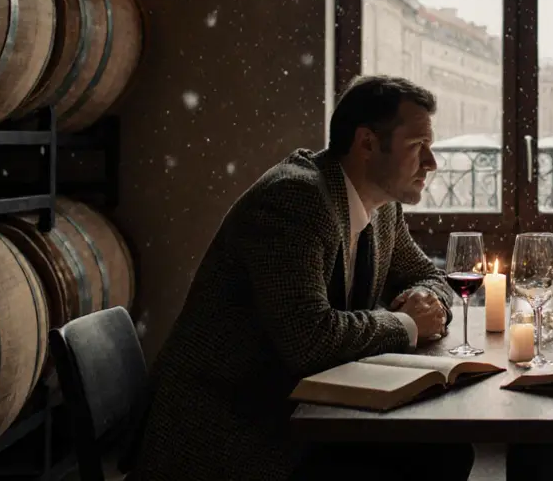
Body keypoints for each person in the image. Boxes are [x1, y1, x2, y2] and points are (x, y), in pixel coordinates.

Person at [128, 75, 475, 481]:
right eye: (418, 147)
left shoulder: (381, 205)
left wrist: (423, 298)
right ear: (366, 143)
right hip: (234, 435)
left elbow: (429, 276)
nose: (432, 163)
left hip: (300, 411)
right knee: (438, 459)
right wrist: (406, 323)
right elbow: (309, 339)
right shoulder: (295, 200)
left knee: (446, 452)